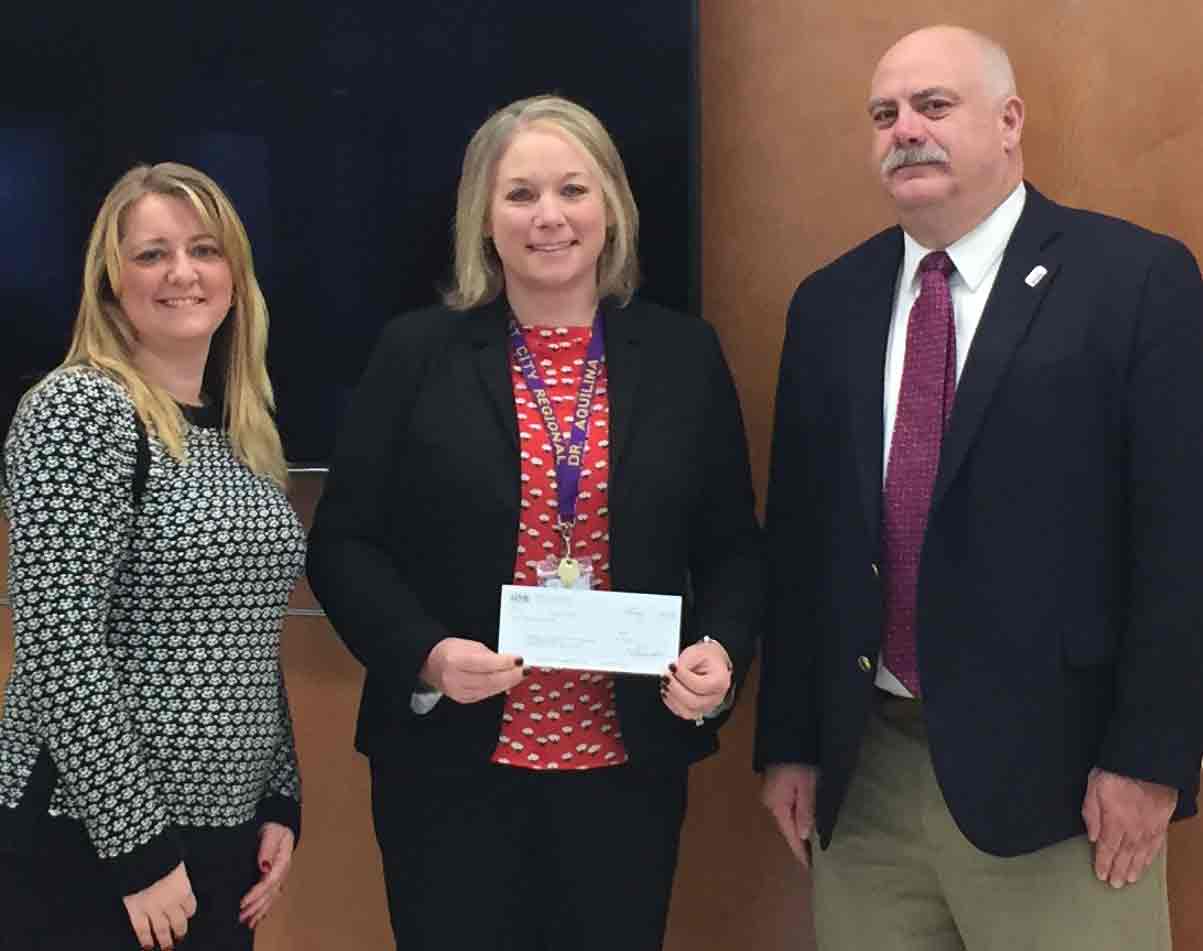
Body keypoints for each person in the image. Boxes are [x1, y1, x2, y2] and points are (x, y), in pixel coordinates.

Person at [756, 24, 1203, 951]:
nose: (903, 130)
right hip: (864, 774)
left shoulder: (1134, 280)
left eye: (932, 105)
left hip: (1064, 786)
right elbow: (802, 540)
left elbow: (1180, 536)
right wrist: (790, 740)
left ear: (1008, 121)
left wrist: (1149, 758)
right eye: (883, 115)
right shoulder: (828, 303)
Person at [307, 94, 763, 951]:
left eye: (571, 190)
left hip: (626, 769)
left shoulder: (682, 356)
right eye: (519, 194)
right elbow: (344, 542)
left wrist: (723, 653)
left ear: (611, 208)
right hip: (450, 765)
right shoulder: (415, 352)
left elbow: (734, 546)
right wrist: (427, 653)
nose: (547, 216)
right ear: (483, 217)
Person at [0, 162, 304, 950]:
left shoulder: (241, 432)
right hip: (94, 838)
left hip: (221, 837)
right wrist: (138, 849)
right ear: (110, 283)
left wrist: (280, 797)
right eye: (150, 254)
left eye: (204, 249)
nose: (181, 273)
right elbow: (56, 643)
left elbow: (246, 631)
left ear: (234, 274)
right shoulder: (79, 407)